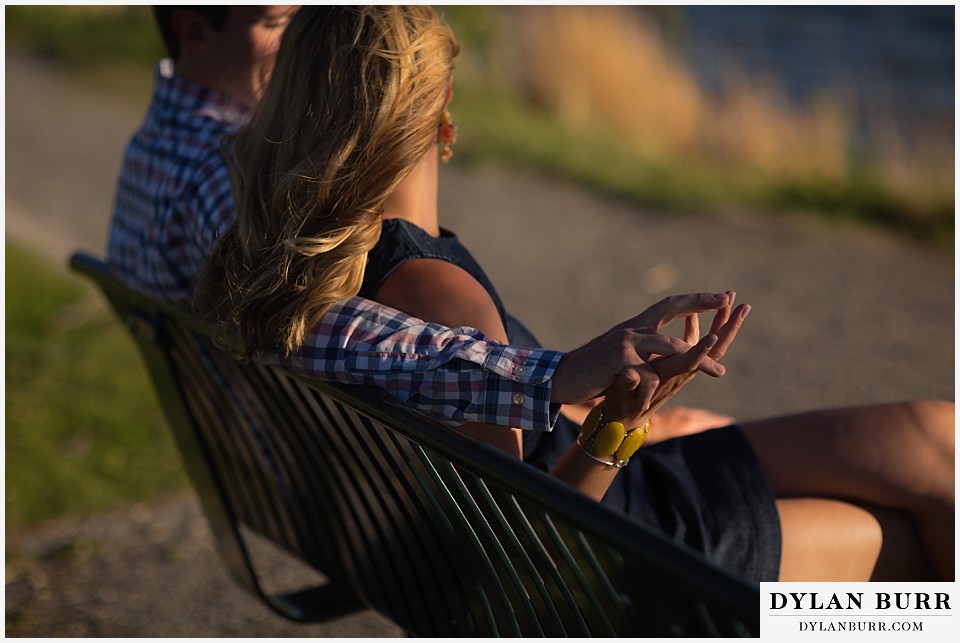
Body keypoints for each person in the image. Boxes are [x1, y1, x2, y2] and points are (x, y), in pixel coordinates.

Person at [194, 6, 954, 583]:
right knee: (918, 547)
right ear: (442, 108)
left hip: (615, 485)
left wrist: (629, 418)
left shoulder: (314, 270)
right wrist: (618, 426)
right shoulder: (435, 290)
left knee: (933, 439)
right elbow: (527, 547)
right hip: (631, 551)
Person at [107, 5, 734, 434]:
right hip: (322, 484)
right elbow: (293, 311)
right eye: (277, 20)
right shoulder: (222, 171)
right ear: (193, 28)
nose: (302, 35)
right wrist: (554, 377)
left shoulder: (160, 141)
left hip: (274, 470)